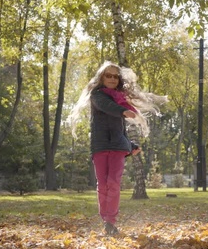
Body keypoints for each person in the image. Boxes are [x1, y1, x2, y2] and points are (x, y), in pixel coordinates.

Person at [68, 61, 167, 235]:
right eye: (108, 75)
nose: (112, 79)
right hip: (100, 146)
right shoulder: (97, 95)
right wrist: (122, 111)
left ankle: (110, 222)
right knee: (103, 185)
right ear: (101, 77)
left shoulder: (119, 98)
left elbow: (120, 129)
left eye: (116, 76)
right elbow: (107, 107)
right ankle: (105, 218)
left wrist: (131, 145)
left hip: (117, 147)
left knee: (113, 183)